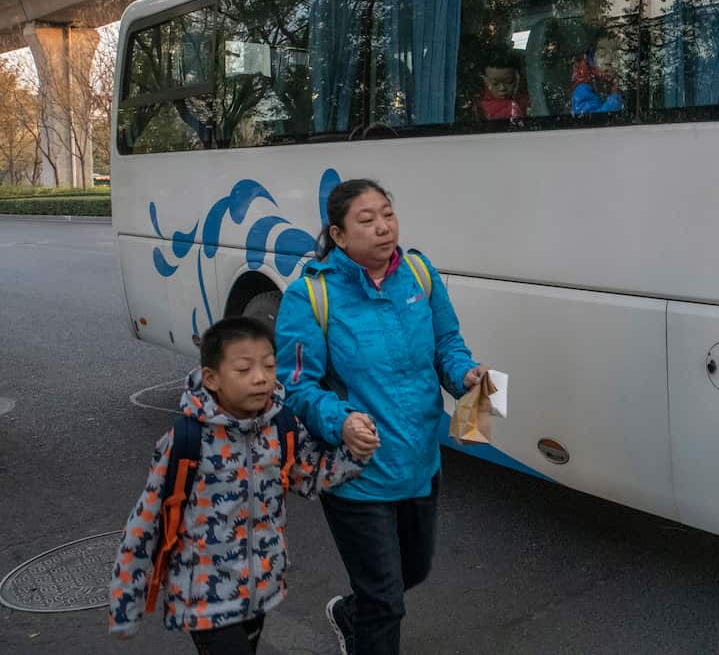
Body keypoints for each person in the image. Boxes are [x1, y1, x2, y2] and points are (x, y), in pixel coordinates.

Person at [275, 178, 489, 655]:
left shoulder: (419, 273)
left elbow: (447, 346)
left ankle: (350, 613)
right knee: (386, 601)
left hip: (419, 462)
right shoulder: (310, 297)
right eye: (366, 220)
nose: (382, 228)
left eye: (387, 214)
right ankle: (366, 619)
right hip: (357, 473)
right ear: (338, 235)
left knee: (413, 571)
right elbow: (298, 387)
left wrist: (465, 376)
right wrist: (342, 422)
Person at [108, 317, 370, 654]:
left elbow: (312, 477)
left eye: (269, 366)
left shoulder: (282, 427)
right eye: (244, 369)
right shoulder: (186, 440)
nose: (260, 378)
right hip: (203, 598)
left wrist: (356, 453)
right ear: (212, 378)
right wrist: (125, 601)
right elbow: (145, 522)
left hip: (260, 589)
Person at [570, 34, 626, 115]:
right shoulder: (584, 87)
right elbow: (588, 122)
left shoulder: (614, 83)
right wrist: (615, 100)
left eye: (615, 55)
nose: (608, 60)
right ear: (591, 60)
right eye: (601, 54)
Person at [476, 54, 529, 121]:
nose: (502, 88)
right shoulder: (512, 111)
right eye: (495, 83)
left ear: (519, 78)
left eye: (509, 82)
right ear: (484, 80)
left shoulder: (532, 96)